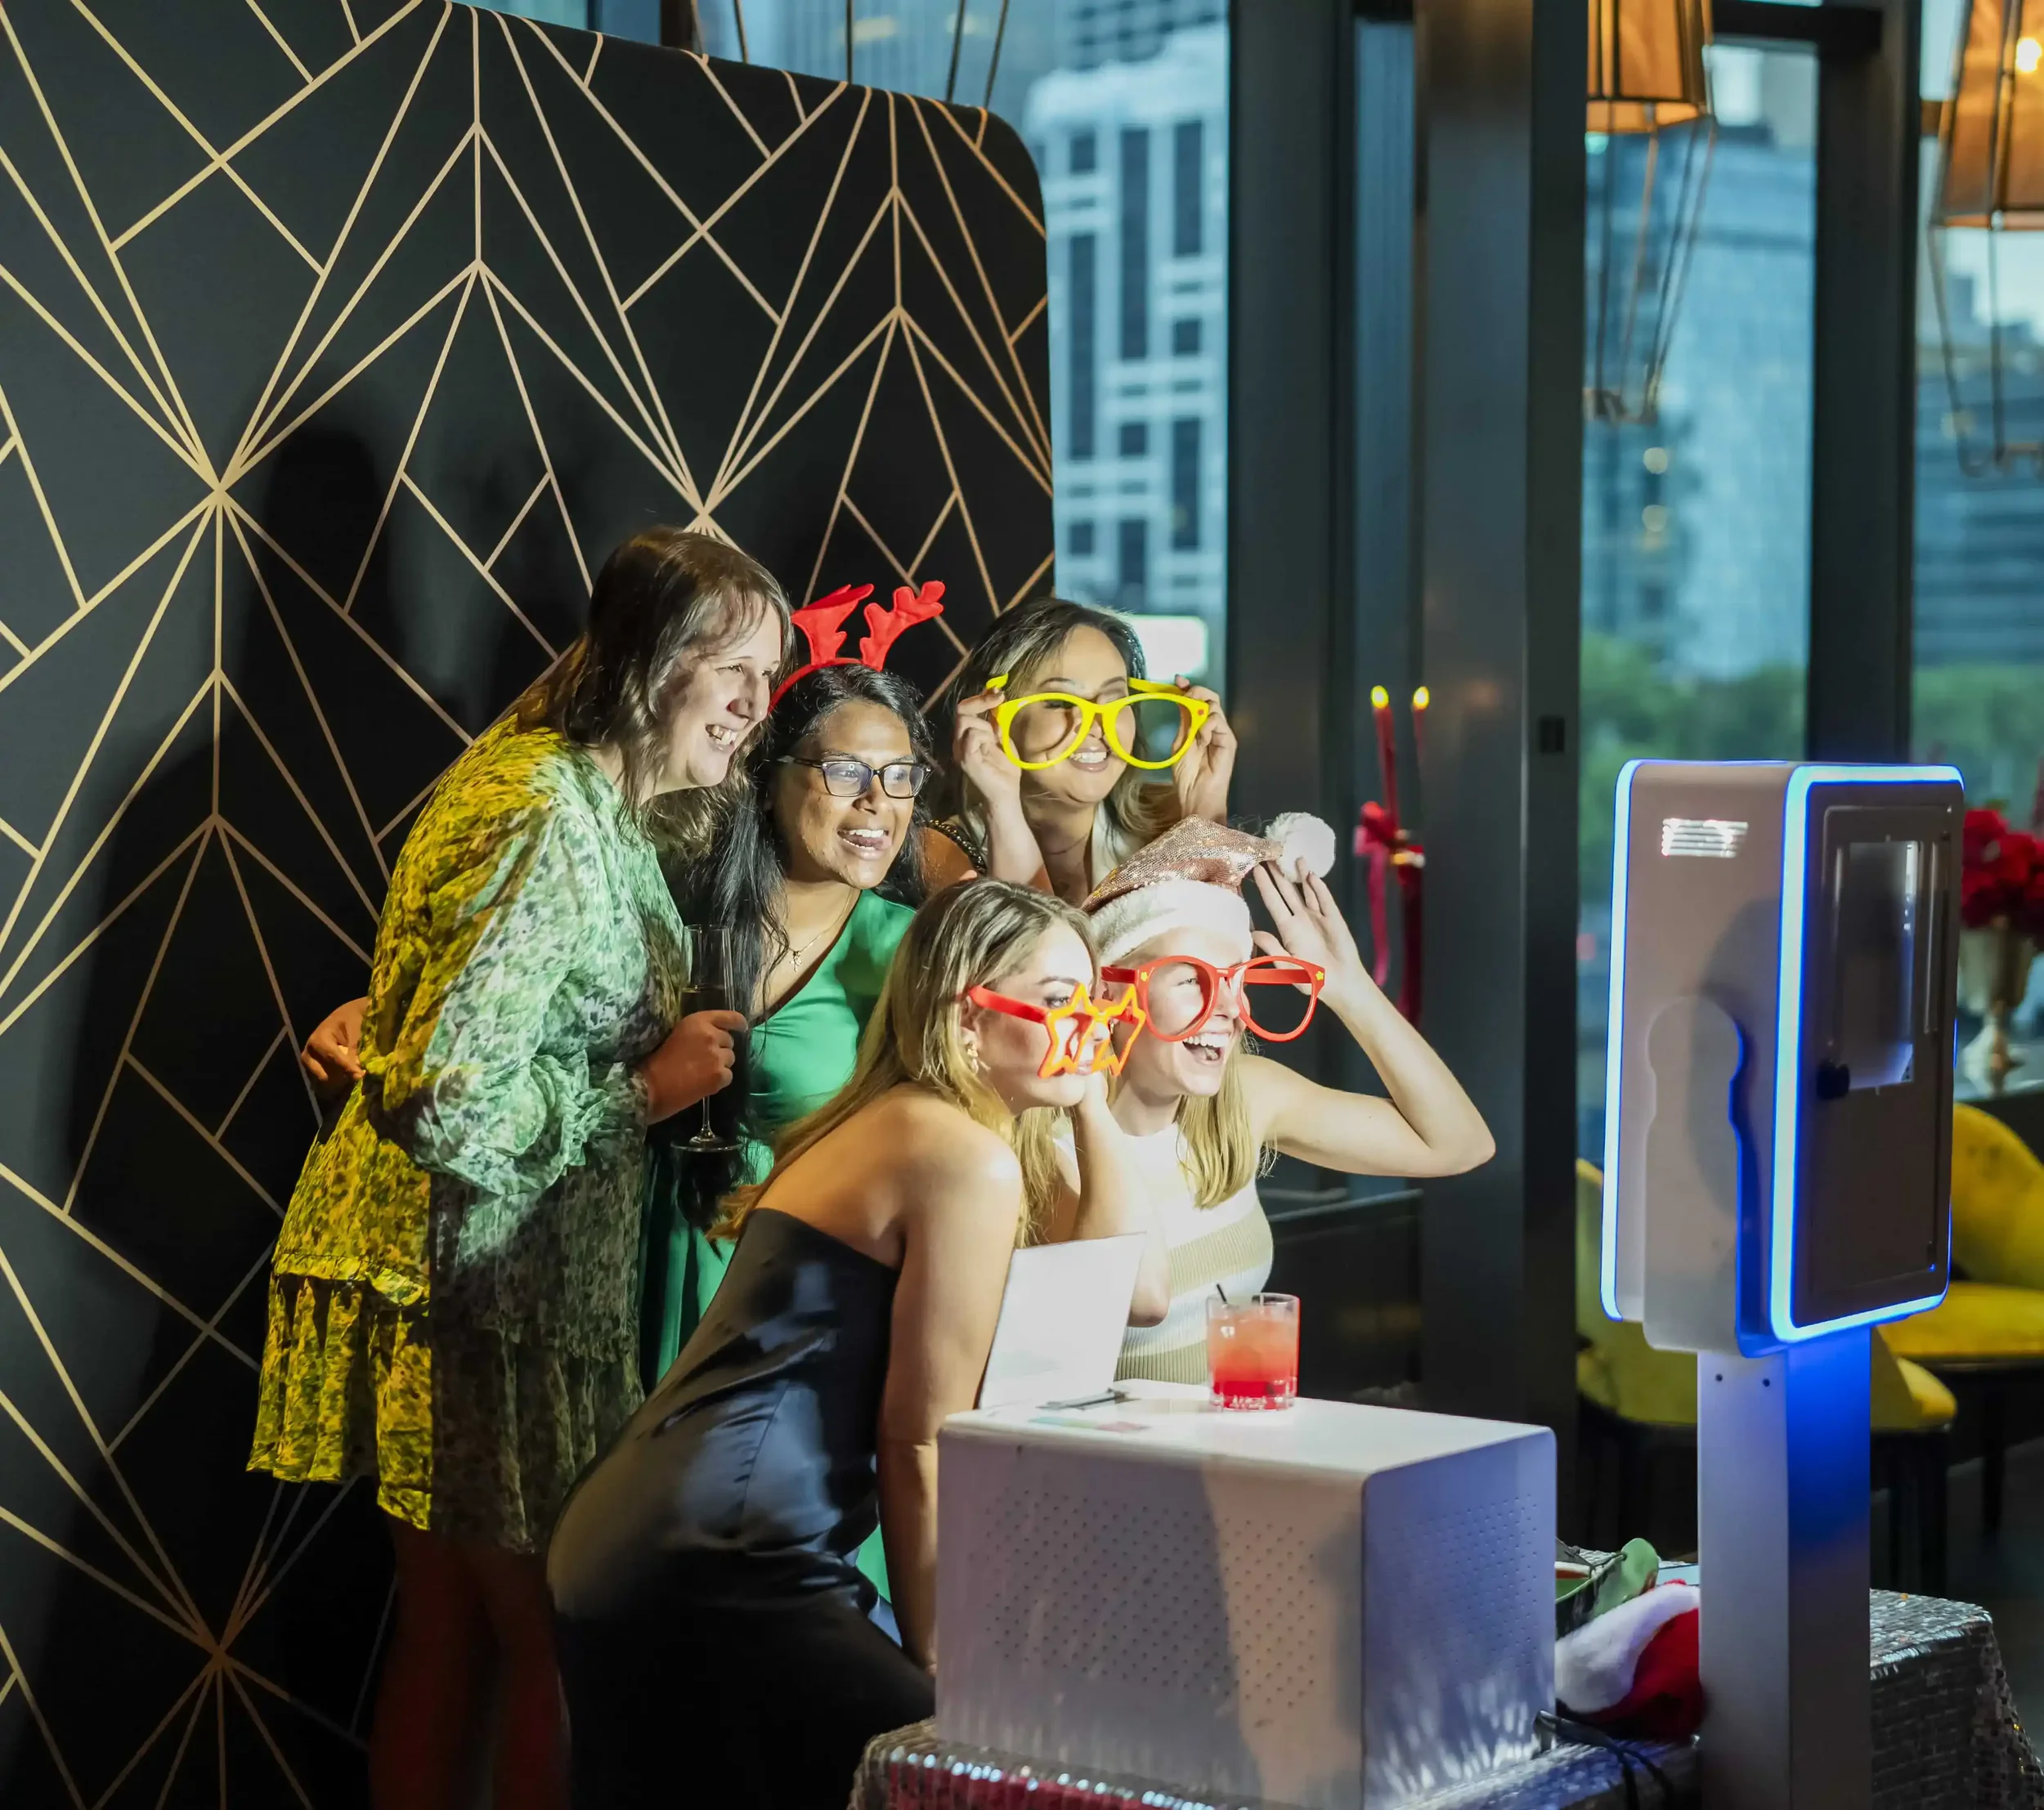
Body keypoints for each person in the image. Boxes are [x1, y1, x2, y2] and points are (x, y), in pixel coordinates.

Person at [249, 530, 787, 1810]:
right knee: (552, 1638)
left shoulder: (572, 789)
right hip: (479, 1284)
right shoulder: (545, 807)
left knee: (458, 1632)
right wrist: (643, 1091)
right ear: (656, 661)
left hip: (474, 1281)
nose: (758, 709)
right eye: (740, 674)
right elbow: (449, 1095)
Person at [547, 880, 1145, 1810]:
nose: (1092, 1027)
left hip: (658, 1531)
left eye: (1100, 1003)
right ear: (966, 1018)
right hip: (725, 1541)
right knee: (947, 1777)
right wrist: (939, 1658)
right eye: (1063, 1002)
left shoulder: (928, 1125)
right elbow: (919, 1435)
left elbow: (1129, 1293)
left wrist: (1088, 1098)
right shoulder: (953, 1150)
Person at [1063, 813, 1495, 1382]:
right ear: (1111, 992)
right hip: (1113, 1464)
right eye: (1193, 978)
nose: (1228, 1010)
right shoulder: (1050, 1139)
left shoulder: (1243, 1098)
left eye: (1239, 982)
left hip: (1236, 1451)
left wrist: (1350, 990)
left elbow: (1460, 1146)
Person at [928, 596, 1237, 904]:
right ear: (991, 716)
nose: (1098, 724)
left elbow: (1227, 946)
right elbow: (1028, 949)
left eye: (1116, 699)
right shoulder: (943, 851)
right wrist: (1003, 809)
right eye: (1062, 702)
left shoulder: (1174, 823)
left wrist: (1206, 809)